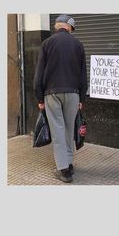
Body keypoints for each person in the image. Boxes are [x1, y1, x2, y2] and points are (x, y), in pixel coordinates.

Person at [33, 14, 87, 183]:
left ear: (57, 26)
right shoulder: (78, 45)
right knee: (69, 130)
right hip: (73, 93)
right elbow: (83, 76)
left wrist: (40, 97)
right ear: (69, 27)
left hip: (52, 94)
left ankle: (63, 170)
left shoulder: (46, 44)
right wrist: (81, 98)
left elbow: (39, 75)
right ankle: (69, 164)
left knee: (57, 131)